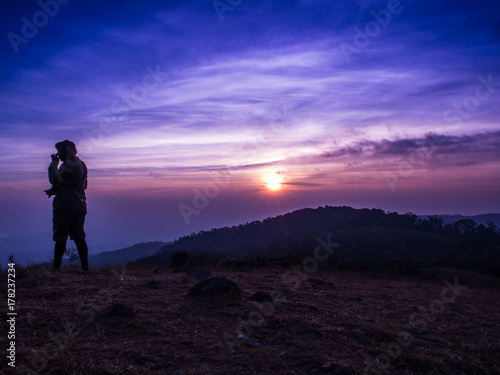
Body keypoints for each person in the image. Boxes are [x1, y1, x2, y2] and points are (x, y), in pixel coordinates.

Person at [45, 140, 89, 272]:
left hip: (65, 205)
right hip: (79, 204)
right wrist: (57, 189)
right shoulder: (81, 164)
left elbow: (54, 179)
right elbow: (83, 185)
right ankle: (85, 267)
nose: (58, 154)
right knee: (79, 236)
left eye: (59, 151)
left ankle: (56, 268)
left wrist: (54, 163)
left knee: (60, 236)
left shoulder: (67, 165)